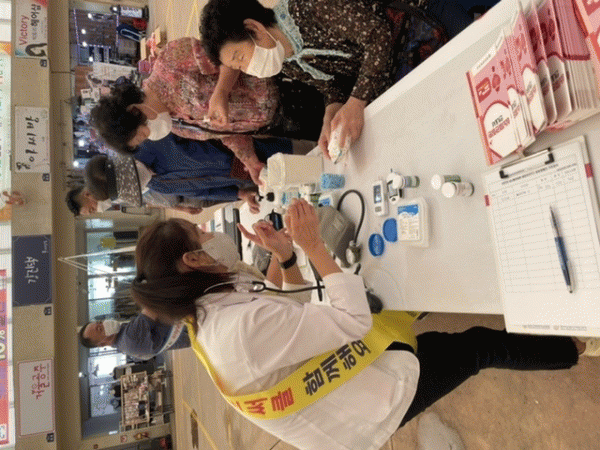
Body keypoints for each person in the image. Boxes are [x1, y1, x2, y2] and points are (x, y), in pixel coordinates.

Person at [130, 198, 596, 450]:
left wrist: (286, 256)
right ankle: (578, 346)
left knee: (407, 307)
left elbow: (288, 311)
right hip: (362, 410)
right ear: (194, 259)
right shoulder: (236, 332)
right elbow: (349, 320)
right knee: (476, 348)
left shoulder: (210, 307)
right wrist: (314, 247)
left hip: (339, 369)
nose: (212, 233)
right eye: (201, 234)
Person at [200, 0, 499, 157]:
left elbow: (377, 36)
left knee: (479, 91)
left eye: (240, 57)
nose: (249, 69)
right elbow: (332, 82)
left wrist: (356, 101)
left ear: (254, 28)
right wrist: (332, 110)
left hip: (422, 24)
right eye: (239, 67)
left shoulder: (311, 8)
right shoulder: (285, 58)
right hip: (398, 68)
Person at [89, 38, 281, 185]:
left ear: (134, 111)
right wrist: (249, 160)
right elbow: (225, 132)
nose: (150, 137)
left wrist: (222, 91)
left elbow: (230, 49)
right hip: (277, 124)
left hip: (279, 81)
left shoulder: (172, 62)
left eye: (142, 135)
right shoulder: (176, 126)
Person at [78, 310, 190, 361]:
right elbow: (152, 307)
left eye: (100, 322)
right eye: (100, 329)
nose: (104, 323)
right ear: (102, 344)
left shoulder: (123, 345)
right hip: (188, 326)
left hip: (185, 330)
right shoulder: (129, 337)